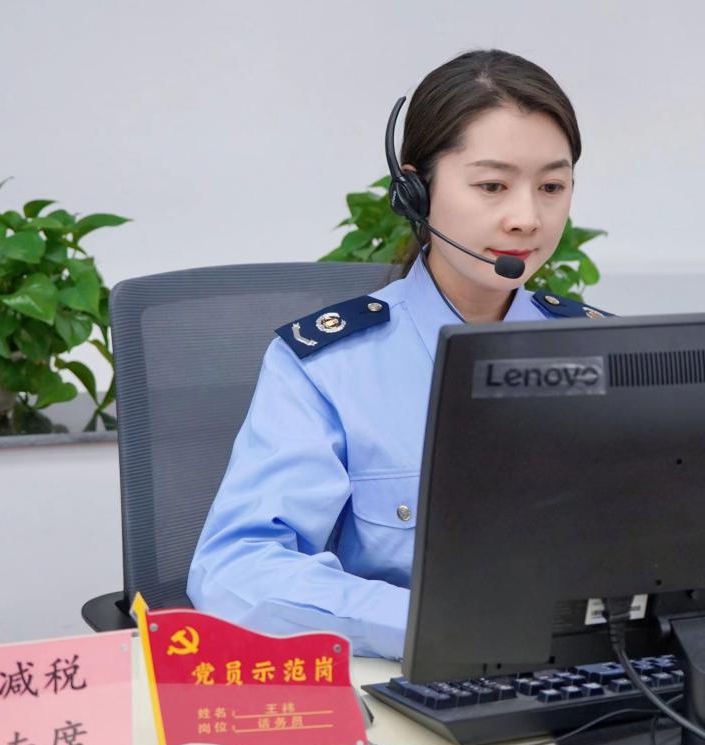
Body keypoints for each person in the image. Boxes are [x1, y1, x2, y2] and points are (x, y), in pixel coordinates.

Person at [187, 49, 608, 659]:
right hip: (412, 677)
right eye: (492, 185)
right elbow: (236, 570)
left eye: (551, 187)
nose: (526, 218)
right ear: (415, 191)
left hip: (595, 676)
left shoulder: (606, 354)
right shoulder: (327, 366)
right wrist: (436, 622)